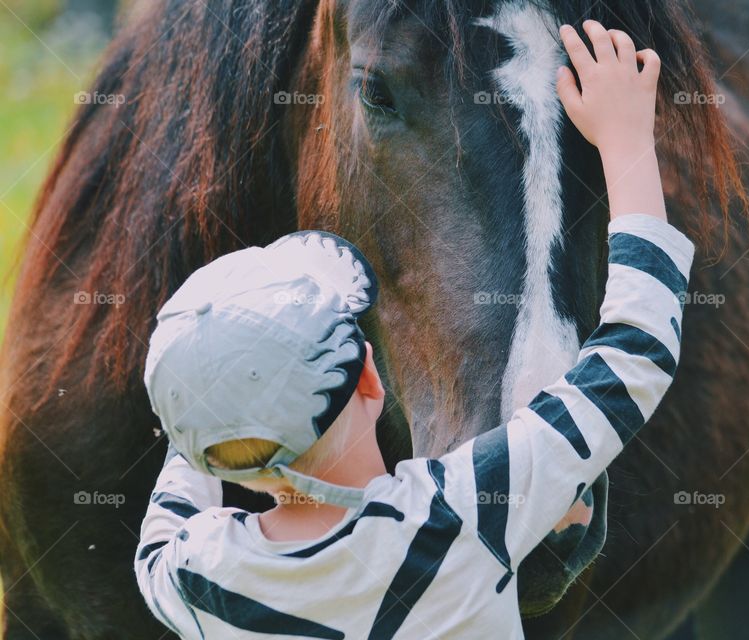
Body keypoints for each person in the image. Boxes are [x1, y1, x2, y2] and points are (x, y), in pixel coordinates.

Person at [135, 21, 694, 640]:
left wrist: (214, 380)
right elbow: (638, 343)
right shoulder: (464, 519)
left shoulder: (186, 574)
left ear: (204, 447)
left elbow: (181, 476)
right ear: (370, 379)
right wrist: (629, 145)